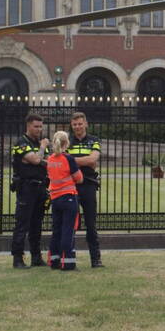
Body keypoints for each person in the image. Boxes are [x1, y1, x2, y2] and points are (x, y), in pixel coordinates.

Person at [10, 113, 50, 269]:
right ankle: (18, 258)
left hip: (41, 187)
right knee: (22, 224)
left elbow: (47, 162)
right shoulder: (21, 142)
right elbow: (36, 160)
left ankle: (36, 257)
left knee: (36, 224)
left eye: (41, 126)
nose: (39, 129)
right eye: (36, 126)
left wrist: (37, 159)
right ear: (28, 126)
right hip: (26, 187)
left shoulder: (38, 143)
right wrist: (41, 152)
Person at [69, 112, 104, 268]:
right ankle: (69, 259)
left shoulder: (94, 140)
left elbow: (93, 159)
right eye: (75, 124)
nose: (77, 127)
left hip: (89, 185)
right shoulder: (67, 141)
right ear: (72, 125)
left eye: (80, 124)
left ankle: (96, 259)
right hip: (71, 186)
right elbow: (88, 161)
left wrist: (71, 160)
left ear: (86, 124)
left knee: (91, 224)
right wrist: (86, 161)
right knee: (71, 224)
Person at [46, 130, 83, 271]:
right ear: (66, 143)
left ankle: (54, 260)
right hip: (68, 197)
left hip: (55, 199)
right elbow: (79, 178)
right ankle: (68, 262)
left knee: (57, 230)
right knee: (68, 230)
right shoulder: (68, 159)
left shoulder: (50, 159)